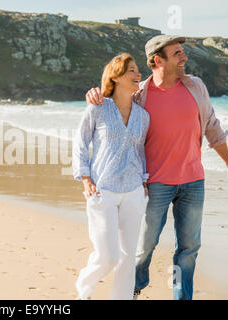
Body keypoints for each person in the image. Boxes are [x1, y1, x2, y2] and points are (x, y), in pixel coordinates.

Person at [85, 35, 228, 300]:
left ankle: (182, 297)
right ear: (158, 60)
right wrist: (95, 94)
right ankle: (133, 288)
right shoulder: (139, 95)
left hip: (193, 181)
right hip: (154, 183)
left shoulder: (196, 87)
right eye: (178, 53)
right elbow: (115, 117)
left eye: (183, 53)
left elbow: (213, 128)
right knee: (144, 246)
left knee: (189, 247)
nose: (185, 58)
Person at [72, 53, 150, 300]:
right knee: (108, 255)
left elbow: (140, 151)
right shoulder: (98, 108)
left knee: (128, 258)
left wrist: (144, 180)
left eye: (138, 71)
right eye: (132, 71)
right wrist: (85, 177)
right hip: (102, 190)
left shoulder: (143, 116)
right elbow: (81, 143)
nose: (138, 75)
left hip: (134, 191)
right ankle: (84, 288)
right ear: (115, 77)